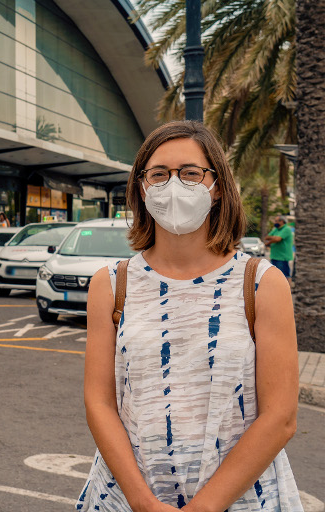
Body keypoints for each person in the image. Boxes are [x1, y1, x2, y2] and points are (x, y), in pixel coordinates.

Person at [79, 121, 302, 511]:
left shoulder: (262, 283)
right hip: (126, 497)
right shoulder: (111, 284)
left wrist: (205, 506)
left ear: (216, 188)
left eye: (190, 173)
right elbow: (99, 402)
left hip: (243, 498)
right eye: (159, 174)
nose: (174, 185)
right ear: (142, 188)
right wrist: (143, 502)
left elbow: (280, 417)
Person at [264, 215, 293, 281]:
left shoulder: (286, 229)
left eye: (276, 221)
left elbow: (278, 239)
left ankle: (287, 290)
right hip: (274, 256)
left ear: (282, 221)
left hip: (282, 257)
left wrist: (269, 242)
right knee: (275, 276)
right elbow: (267, 237)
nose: (275, 222)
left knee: (285, 275)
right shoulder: (276, 229)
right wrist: (275, 237)